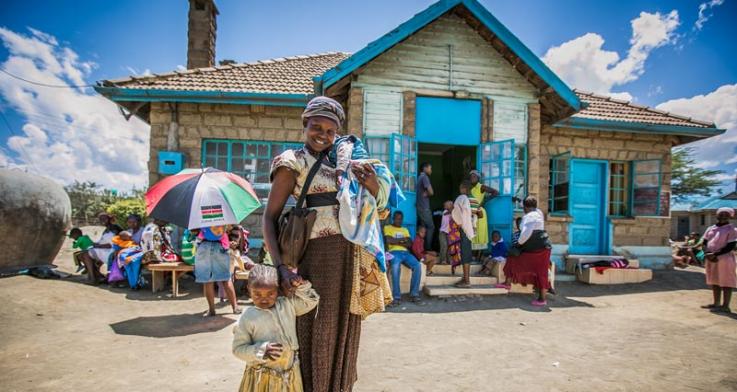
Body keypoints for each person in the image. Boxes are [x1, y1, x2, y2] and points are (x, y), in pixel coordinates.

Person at [263, 96, 382, 392]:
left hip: (348, 257)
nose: (323, 135)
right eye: (317, 127)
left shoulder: (346, 163)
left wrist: (373, 187)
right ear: (305, 124)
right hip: (313, 260)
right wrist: (281, 268)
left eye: (330, 131)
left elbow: (372, 209)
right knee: (317, 332)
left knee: (345, 331)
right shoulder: (292, 163)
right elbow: (269, 218)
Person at [232, 264, 319, 392]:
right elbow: (238, 349)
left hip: (290, 375)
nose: (264, 299)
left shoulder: (287, 305)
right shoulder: (248, 317)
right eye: (257, 294)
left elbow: (311, 301)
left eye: (270, 293)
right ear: (248, 289)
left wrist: (300, 286)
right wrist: (261, 350)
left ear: (278, 290)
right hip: (261, 379)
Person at [498, 196, 552, 306]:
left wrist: (518, 244)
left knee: (513, 257)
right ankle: (542, 299)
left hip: (534, 249)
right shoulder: (538, 212)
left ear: (525, 208)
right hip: (544, 247)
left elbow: (525, 235)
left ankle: (507, 283)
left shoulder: (529, 217)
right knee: (542, 272)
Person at [195, 225, 240, 316]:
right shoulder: (223, 218)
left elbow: (198, 238)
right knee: (226, 278)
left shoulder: (202, 217)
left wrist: (197, 244)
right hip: (220, 247)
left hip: (204, 247)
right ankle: (235, 307)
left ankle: (212, 310)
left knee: (208, 281)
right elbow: (227, 239)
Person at [700, 207, 737, 314]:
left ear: (731, 216)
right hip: (711, 258)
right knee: (714, 280)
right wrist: (707, 253)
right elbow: (705, 242)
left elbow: (730, 246)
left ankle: (725, 306)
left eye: (726, 214)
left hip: (725, 259)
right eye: (721, 213)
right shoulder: (711, 228)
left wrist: (715, 254)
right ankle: (716, 303)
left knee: (726, 281)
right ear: (717, 215)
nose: (723, 215)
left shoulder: (732, 230)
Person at [384, 211, 423, 304]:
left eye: (400, 219)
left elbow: (409, 244)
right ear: (393, 218)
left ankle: (414, 294)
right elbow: (388, 240)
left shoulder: (405, 229)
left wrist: (395, 241)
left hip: (406, 253)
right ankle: (397, 297)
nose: (399, 220)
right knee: (395, 267)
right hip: (394, 253)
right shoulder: (388, 227)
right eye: (397, 218)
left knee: (417, 265)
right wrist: (402, 240)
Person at [85, 213, 123, 283]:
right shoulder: (106, 230)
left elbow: (111, 245)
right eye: (100, 219)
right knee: (86, 252)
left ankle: (93, 278)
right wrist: (93, 243)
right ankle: (96, 275)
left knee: (87, 254)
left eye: (104, 219)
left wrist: (97, 246)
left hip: (112, 251)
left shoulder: (115, 229)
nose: (102, 220)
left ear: (108, 219)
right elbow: (101, 242)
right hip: (105, 250)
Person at [468, 170, 498, 261]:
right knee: (473, 234)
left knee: (480, 234)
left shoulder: (481, 187)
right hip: (472, 213)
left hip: (480, 213)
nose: (472, 178)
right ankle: (473, 257)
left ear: (478, 178)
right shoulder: (469, 188)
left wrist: (484, 201)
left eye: (474, 176)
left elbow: (495, 192)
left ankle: (478, 258)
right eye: (471, 177)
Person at [452, 181, 476, 288]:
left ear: (464, 189)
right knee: (467, 253)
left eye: (460, 188)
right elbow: (476, 215)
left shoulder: (462, 198)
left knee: (464, 254)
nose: (460, 190)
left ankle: (466, 281)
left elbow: (456, 212)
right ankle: (465, 278)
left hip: (463, 229)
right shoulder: (474, 200)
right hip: (470, 230)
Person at [416, 162, 435, 251]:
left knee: (423, 227)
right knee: (431, 227)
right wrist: (428, 193)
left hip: (419, 207)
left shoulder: (419, 177)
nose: (431, 170)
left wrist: (425, 193)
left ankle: (421, 248)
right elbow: (431, 192)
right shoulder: (425, 177)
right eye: (430, 168)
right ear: (425, 168)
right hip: (424, 207)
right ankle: (428, 248)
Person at [438, 201, 453, 265]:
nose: (445, 207)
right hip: (443, 232)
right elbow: (448, 212)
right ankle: (443, 260)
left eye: (446, 205)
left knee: (450, 246)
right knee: (444, 245)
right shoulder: (445, 212)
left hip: (450, 232)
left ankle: (449, 260)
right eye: (445, 206)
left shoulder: (454, 212)